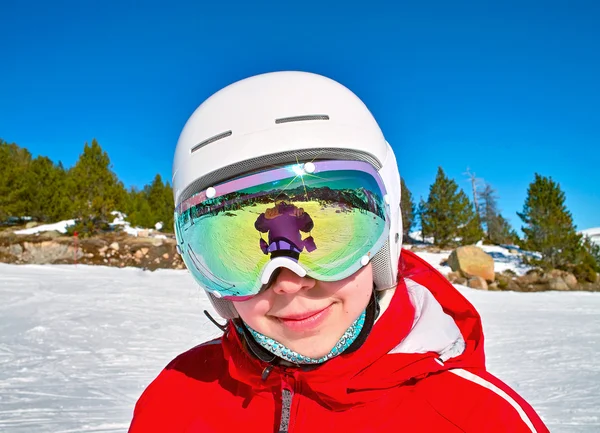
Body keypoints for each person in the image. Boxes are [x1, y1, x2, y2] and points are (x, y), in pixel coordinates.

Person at [129, 71, 549, 432]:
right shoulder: (174, 402)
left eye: (337, 239)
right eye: (236, 251)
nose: (289, 281)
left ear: (386, 236)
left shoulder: (477, 418)